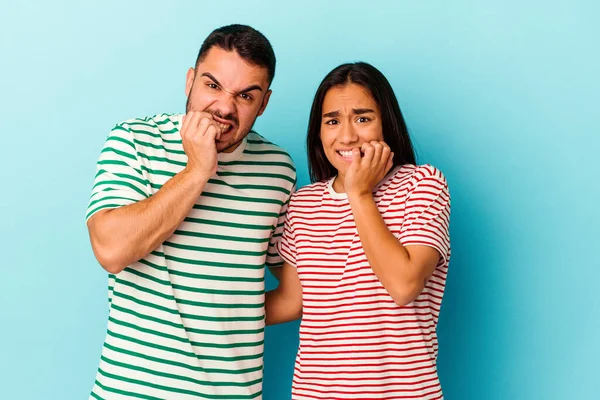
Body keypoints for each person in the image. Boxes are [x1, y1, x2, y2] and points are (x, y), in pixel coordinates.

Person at [86, 24, 295, 399]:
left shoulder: (278, 169)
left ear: (263, 104)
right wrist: (198, 170)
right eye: (212, 86)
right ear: (190, 81)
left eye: (245, 96)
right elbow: (111, 251)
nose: (224, 108)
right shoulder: (134, 140)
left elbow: (294, 295)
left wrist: (225, 318)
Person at [266, 62, 451, 399]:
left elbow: (404, 284)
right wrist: (205, 312)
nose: (348, 135)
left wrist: (359, 192)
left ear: (387, 124)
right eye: (332, 121)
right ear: (318, 131)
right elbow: (293, 301)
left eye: (363, 118)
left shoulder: (422, 185)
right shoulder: (303, 204)